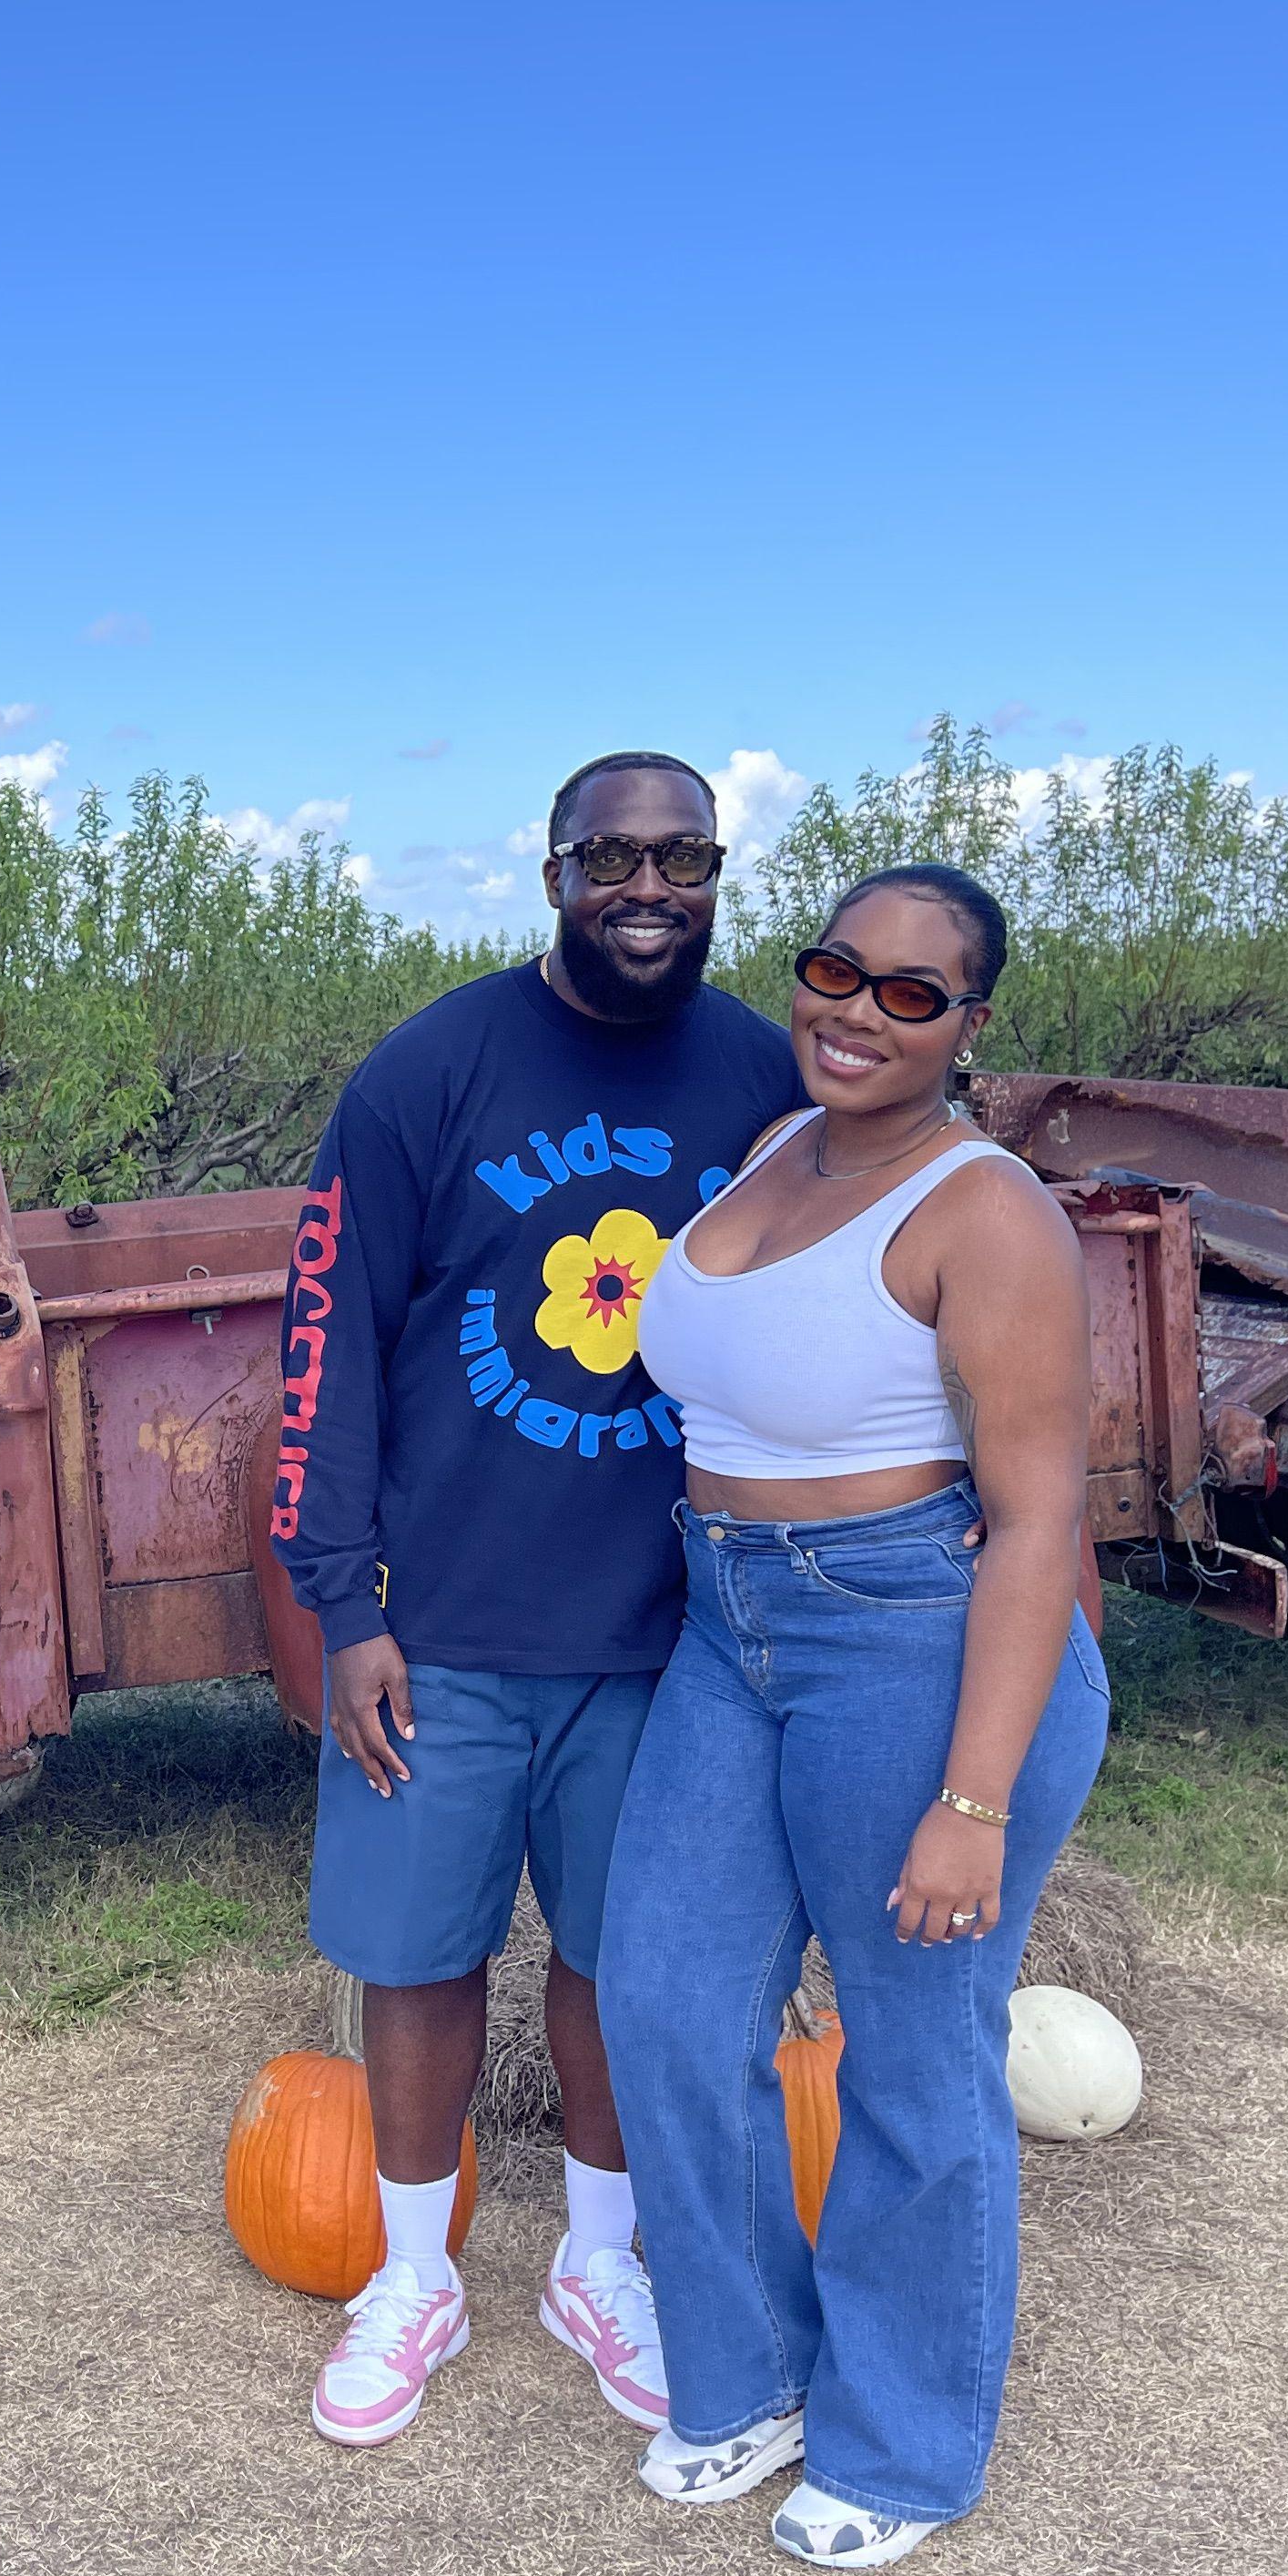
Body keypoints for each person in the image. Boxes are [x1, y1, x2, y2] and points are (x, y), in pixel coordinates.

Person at [270, 750, 804, 2446]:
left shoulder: (770, 1083)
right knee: (418, 1960)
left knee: (613, 1956)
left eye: (685, 856)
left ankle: (597, 2260)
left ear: (718, 873)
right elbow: (325, 1345)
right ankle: (412, 2273)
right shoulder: (432, 1069)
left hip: (671, 1635)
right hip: (442, 1631)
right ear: (555, 868)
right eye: (612, 856)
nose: (649, 887)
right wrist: (343, 1606)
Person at [607, 860, 1108, 2567]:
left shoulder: (987, 1214)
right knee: (667, 2003)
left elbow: (1041, 1519)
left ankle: (903, 2448)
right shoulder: (773, 1150)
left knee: (910, 2054)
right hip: (727, 1625)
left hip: (911, 1637)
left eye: (912, 994)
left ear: (969, 1028)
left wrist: (971, 1805)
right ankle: (743, 2377)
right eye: (839, 969)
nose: (857, 1011)